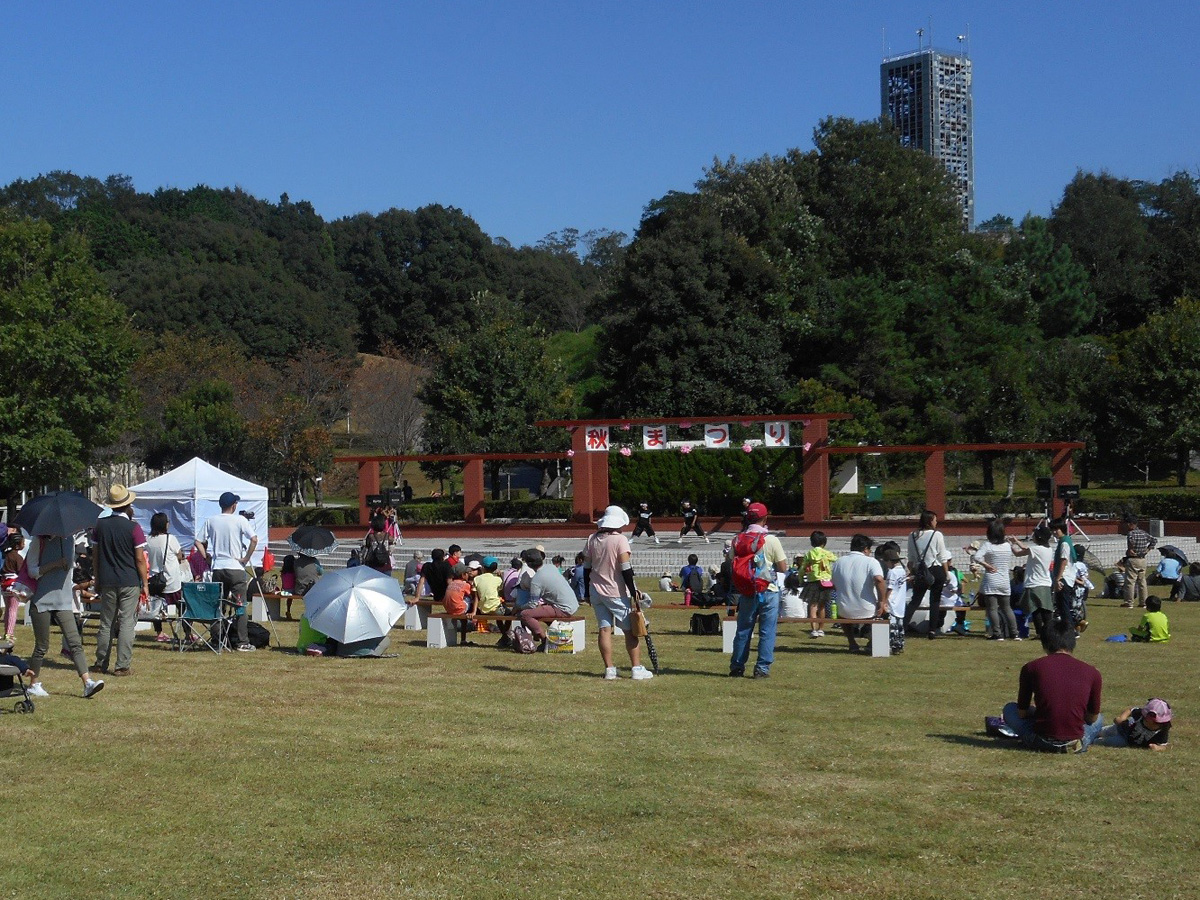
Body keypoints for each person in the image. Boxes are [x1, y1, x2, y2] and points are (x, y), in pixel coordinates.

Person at [1000, 618, 1104, 753]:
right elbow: (1092, 718)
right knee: (1100, 718)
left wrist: (1035, 711)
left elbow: (1022, 713)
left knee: (1009, 709)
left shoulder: (1031, 667)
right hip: (1075, 743)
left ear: (1044, 643)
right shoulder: (1092, 672)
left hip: (1039, 740)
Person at [24, 529, 105, 699]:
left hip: (64, 600)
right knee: (42, 646)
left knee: (75, 642)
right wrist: (53, 564)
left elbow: (69, 570)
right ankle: (33, 683)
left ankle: (87, 682)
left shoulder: (69, 541)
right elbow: (32, 571)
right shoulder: (39, 541)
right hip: (41, 600)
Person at [583, 505, 654, 681]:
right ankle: (636, 668)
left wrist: (586, 592)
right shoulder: (619, 540)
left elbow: (586, 568)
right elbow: (626, 569)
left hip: (596, 590)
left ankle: (609, 669)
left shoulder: (592, 539)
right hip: (615, 591)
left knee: (604, 629)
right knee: (630, 631)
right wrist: (633, 591)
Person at [93, 484, 151, 676]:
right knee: (127, 622)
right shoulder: (134, 528)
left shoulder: (99, 526)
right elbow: (139, 559)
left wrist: (97, 579)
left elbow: (95, 556)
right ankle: (122, 665)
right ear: (128, 506)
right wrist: (145, 584)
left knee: (106, 623)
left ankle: (101, 662)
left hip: (107, 579)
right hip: (129, 580)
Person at [194, 490, 259, 652]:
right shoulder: (240, 520)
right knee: (240, 605)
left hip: (218, 568)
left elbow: (198, 541)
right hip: (235, 568)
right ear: (234, 505)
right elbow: (254, 539)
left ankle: (217, 640)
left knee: (217, 605)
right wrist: (246, 558)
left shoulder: (211, 520)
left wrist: (206, 557)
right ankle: (242, 641)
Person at [728, 502, 788, 677]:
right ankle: (762, 668)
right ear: (765, 518)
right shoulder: (771, 540)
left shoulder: (738, 539)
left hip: (747, 590)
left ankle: (737, 666)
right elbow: (783, 567)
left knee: (743, 630)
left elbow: (730, 560)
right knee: (767, 631)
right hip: (768, 589)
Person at [831, 534, 887, 654]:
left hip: (844, 610)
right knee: (884, 611)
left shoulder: (838, 562)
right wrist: (882, 601)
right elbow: (879, 580)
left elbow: (833, 583)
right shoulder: (871, 562)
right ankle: (874, 643)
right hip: (867, 610)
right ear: (866, 549)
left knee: (843, 614)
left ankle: (852, 643)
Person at [521, 548, 580, 653]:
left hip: (562, 608)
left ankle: (545, 641)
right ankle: (545, 637)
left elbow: (533, 604)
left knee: (526, 614)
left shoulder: (536, 580)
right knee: (540, 611)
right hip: (572, 604)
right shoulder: (551, 567)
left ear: (528, 564)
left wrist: (519, 607)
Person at [905, 510, 951, 638]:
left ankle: (902, 625)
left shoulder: (912, 535)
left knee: (915, 600)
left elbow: (911, 558)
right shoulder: (937, 535)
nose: (936, 522)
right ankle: (932, 630)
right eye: (935, 520)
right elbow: (942, 556)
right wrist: (946, 572)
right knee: (935, 600)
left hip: (921, 570)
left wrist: (913, 571)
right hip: (935, 569)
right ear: (930, 521)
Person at [973, 520, 1019, 642]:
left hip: (991, 580)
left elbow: (976, 557)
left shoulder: (987, 545)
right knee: (1007, 608)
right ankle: (1014, 633)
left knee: (992, 609)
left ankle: (997, 633)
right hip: (1004, 580)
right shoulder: (1007, 546)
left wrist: (986, 565)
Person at [145, 512, 184, 644]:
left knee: (156, 607)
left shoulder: (148, 539)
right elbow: (179, 555)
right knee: (181, 606)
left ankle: (159, 632)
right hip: (171, 579)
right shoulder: (170, 538)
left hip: (155, 579)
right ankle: (187, 632)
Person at [1012, 525, 1055, 639]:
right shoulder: (1048, 549)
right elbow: (1023, 550)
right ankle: (1049, 632)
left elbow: (1020, 551)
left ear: (1039, 537)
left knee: (1035, 610)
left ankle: (1040, 633)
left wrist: (1013, 543)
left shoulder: (1036, 549)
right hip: (1045, 583)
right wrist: (1016, 543)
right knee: (1046, 610)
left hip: (1034, 583)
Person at [1095, 698, 1172, 750]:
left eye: (1158, 723)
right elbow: (1130, 710)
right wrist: (1121, 718)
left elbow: (1163, 745)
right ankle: (1092, 733)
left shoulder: (1163, 729)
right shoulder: (1140, 715)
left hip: (1126, 741)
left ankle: (1093, 741)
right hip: (1120, 728)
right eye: (1153, 722)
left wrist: (1157, 748)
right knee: (1103, 731)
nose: (1154, 725)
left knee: (1108, 741)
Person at [800, 531, 836, 638]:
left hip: (812, 582)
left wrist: (801, 578)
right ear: (824, 542)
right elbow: (836, 559)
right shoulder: (827, 553)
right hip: (825, 581)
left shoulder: (809, 554)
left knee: (812, 606)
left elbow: (803, 568)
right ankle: (821, 629)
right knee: (822, 606)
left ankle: (813, 630)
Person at [1121, 513, 1156, 608]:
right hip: (1142, 559)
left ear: (1130, 524)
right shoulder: (1143, 533)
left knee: (1130, 582)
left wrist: (1130, 549)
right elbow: (1154, 540)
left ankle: (1129, 602)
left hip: (1133, 559)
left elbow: (1131, 544)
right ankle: (1143, 602)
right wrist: (1148, 549)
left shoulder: (1131, 534)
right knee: (1142, 581)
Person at [1050, 517, 1077, 623]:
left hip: (1064, 577)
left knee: (1064, 606)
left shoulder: (1064, 543)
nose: (1054, 532)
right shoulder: (1065, 540)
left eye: (1056, 529)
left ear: (1062, 529)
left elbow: (1064, 560)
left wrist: (1058, 578)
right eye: (1053, 530)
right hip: (1066, 577)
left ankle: (1070, 629)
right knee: (1063, 606)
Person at [882, 546, 907, 654]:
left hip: (892, 602)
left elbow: (890, 588)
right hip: (900, 602)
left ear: (889, 561)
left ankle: (894, 646)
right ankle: (900, 644)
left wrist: (884, 601)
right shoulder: (902, 571)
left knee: (892, 626)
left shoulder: (892, 572)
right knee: (900, 625)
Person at [3, 532, 25, 644]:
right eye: (23, 543)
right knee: (13, 610)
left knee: (8, 609)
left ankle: (6, 632)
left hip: (4, 585)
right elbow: (21, 571)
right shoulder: (17, 557)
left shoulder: (6, 555)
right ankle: (9, 634)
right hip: (13, 585)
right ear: (17, 545)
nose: (24, 544)